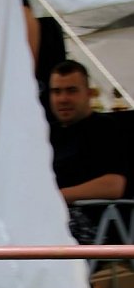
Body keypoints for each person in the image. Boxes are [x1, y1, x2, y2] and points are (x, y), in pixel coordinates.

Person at [48, 59, 132, 243]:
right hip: (54, 218)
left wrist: (56, 197)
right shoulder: (47, 134)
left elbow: (113, 186)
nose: (63, 99)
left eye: (71, 90)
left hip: (97, 224)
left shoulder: (106, 129)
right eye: (56, 92)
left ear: (88, 93)